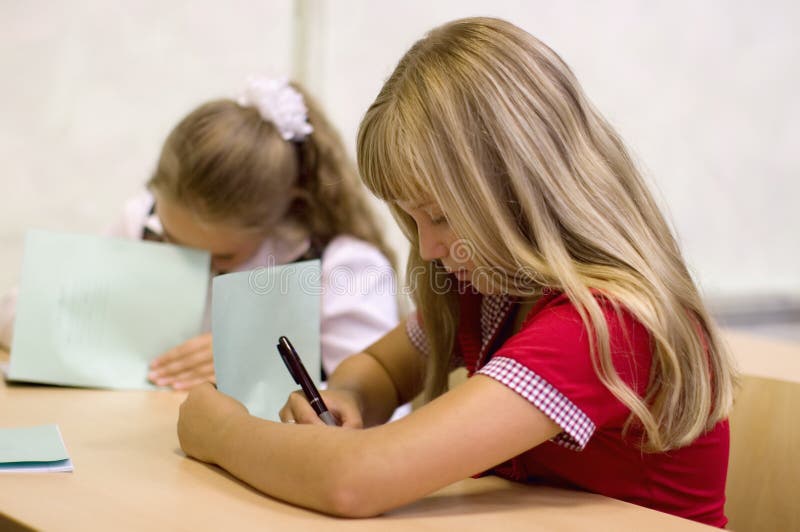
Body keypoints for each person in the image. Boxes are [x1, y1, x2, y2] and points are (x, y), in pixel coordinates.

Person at [176, 18, 737, 527]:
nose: (427, 245)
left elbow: (356, 482)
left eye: (440, 216)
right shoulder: (492, 287)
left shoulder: (600, 325)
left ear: (524, 190)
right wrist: (350, 397)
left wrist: (222, 433)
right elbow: (382, 368)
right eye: (413, 219)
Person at [0, 77, 399, 390]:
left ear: (282, 215)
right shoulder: (144, 223)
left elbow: (383, 408)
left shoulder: (343, 267)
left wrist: (256, 368)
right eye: (175, 245)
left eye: (221, 258)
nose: (193, 268)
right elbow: (16, 317)